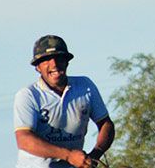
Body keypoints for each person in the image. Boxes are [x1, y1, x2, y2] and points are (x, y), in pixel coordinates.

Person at [14, 35, 115, 168]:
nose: (54, 64)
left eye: (59, 58)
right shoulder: (28, 95)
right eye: (46, 60)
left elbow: (105, 124)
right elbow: (24, 139)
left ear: (67, 61)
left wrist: (95, 155)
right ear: (37, 67)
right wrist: (69, 155)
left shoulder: (85, 86)